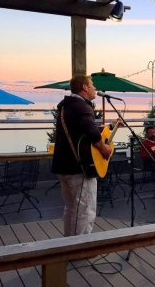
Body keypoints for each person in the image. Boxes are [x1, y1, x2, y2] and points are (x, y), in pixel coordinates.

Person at [52, 74, 112, 237]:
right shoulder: (82, 106)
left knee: (71, 208)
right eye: (92, 85)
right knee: (85, 209)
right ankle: (80, 249)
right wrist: (104, 149)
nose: (95, 89)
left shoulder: (66, 106)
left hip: (63, 165)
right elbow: (92, 131)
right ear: (84, 87)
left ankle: (69, 245)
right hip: (78, 168)